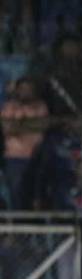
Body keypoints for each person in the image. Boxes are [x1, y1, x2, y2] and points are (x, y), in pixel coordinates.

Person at [1, 78, 48, 210]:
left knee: (37, 197)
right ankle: (18, 227)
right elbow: (8, 129)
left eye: (28, 89)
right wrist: (28, 124)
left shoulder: (41, 106)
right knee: (17, 195)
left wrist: (19, 124)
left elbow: (41, 126)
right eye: (22, 89)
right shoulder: (9, 107)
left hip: (38, 158)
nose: (25, 92)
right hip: (15, 158)